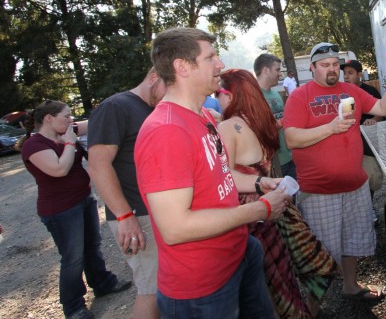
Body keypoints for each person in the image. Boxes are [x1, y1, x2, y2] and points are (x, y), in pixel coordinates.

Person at [134, 27, 291, 319]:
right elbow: (175, 228)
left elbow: (220, 176)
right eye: (210, 57)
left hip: (239, 254)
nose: (219, 64)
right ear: (182, 67)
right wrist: (259, 210)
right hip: (202, 289)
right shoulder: (166, 131)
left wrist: (260, 183)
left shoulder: (204, 116)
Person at [284, 42, 386, 301]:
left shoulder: (351, 91)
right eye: (325, 65)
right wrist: (330, 128)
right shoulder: (299, 96)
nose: (332, 69)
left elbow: (383, 109)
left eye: (336, 65)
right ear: (312, 67)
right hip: (318, 191)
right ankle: (314, 307)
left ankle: (350, 285)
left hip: (354, 185)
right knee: (321, 251)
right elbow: (292, 138)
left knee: (351, 242)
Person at [218, 69, 337, 318]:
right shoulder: (261, 121)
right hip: (273, 211)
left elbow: (224, 178)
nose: (216, 97)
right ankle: (308, 311)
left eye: (218, 92)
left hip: (251, 217)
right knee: (283, 277)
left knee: (268, 287)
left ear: (229, 95)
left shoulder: (229, 127)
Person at [19, 100, 131, 319]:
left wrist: (113, 108)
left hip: (83, 200)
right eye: (66, 116)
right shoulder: (34, 145)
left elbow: (95, 122)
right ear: (49, 119)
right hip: (60, 210)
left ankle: (102, 282)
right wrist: (70, 144)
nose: (71, 121)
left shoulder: (67, 130)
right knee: (73, 257)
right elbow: (59, 169)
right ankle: (73, 306)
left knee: (93, 246)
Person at [87, 67, 167, 319]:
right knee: (151, 289)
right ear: (154, 76)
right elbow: (98, 165)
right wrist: (124, 216)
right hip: (135, 216)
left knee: (164, 286)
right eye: (169, 86)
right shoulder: (115, 107)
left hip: (155, 214)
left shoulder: (151, 108)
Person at [341, 60, 385, 219]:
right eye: (344, 73)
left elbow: (381, 111)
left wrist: (373, 120)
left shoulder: (370, 90)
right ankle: (359, 211)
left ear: (360, 74)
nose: (346, 76)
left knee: (371, 178)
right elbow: (347, 116)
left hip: (368, 145)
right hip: (350, 146)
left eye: (350, 73)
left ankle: (369, 208)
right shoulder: (345, 94)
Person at [253, 53, 296, 179]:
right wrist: (286, 119)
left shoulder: (276, 94)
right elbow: (259, 129)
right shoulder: (252, 97)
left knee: (293, 197)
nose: (280, 74)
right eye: (277, 69)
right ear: (266, 70)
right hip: (273, 162)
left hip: (289, 157)